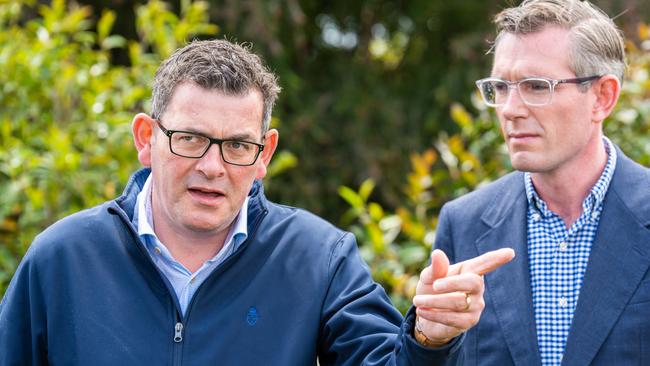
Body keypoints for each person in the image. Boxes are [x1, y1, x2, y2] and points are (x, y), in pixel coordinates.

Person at [0, 39, 514, 365]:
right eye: (190, 139)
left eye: (237, 146)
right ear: (145, 137)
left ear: (264, 152)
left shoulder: (318, 258)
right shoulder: (61, 258)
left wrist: (428, 339)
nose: (212, 166)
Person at [431, 0, 650, 365]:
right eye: (501, 87)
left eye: (536, 86)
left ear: (602, 97)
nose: (510, 109)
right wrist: (429, 341)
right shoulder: (464, 223)